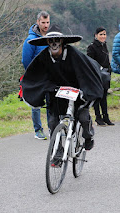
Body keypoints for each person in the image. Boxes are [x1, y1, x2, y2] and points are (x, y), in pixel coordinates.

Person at [21, 26, 104, 150]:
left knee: (82, 117)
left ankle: (88, 136)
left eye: (57, 40)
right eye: (50, 41)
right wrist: (46, 89)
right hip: (58, 93)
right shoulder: (44, 57)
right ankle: (58, 152)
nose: (54, 44)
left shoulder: (74, 54)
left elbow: (85, 73)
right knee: (53, 122)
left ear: (62, 42)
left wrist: (85, 91)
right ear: (47, 43)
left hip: (77, 91)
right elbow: (37, 76)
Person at [20, 11, 51, 140]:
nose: (45, 25)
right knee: (36, 104)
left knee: (52, 103)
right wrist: (33, 74)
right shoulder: (31, 40)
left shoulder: (51, 37)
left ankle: (53, 128)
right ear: (38, 22)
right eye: (43, 22)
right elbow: (25, 60)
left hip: (50, 76)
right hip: (36, 77)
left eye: (47, 22)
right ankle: (38, 130)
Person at [87, 27, 114, 126]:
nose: (103, 36)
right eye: (101, 34)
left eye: (104, 34)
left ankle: (106, 117)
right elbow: (90, 62)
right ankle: (98, 117)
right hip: (97, 75)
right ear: (96, 35)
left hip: (106, 74)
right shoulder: (92, 47)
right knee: (98, 97)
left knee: (104, 96)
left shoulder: (104, 45)